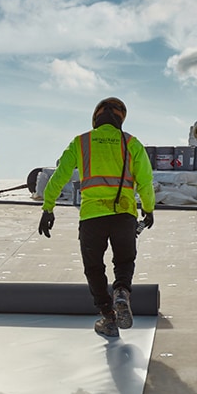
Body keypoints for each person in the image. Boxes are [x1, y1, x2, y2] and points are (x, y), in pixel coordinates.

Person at [39, 97, 156, 337]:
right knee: (124, 261)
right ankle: (122, 292)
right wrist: (149, 208)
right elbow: (145, 180)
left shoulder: (81, 142)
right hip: (124, 214)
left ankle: (108, 317)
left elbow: (59, 177)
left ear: (96, 116)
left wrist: (48, 207)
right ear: (121, 119)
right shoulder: (132, 143)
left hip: (92, 217)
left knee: (94, 268)